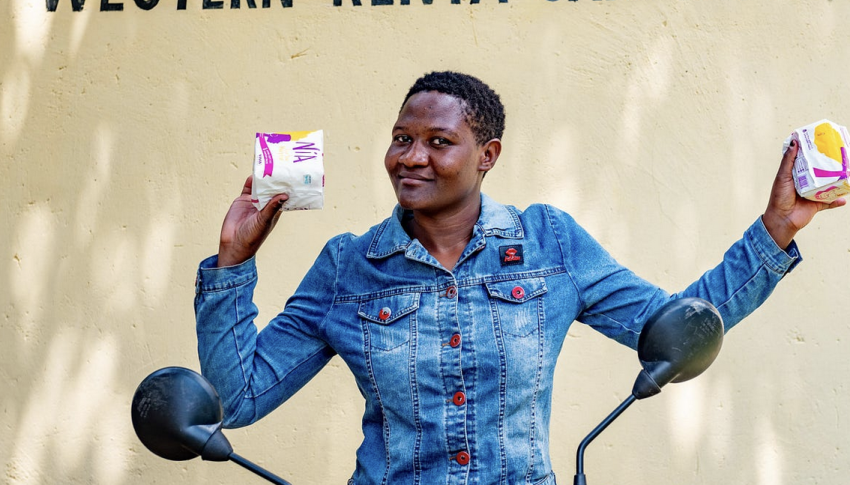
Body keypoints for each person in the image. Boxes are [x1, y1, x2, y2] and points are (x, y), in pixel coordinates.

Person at [194, 71, 843, 485]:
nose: (410, 157)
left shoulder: (549, 242)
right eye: (400, 138)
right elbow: (240, 395)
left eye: (437, 141)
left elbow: (675, 326)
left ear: (487, 155)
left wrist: (777, 229)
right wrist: (233, 259)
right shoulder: (349, 264)